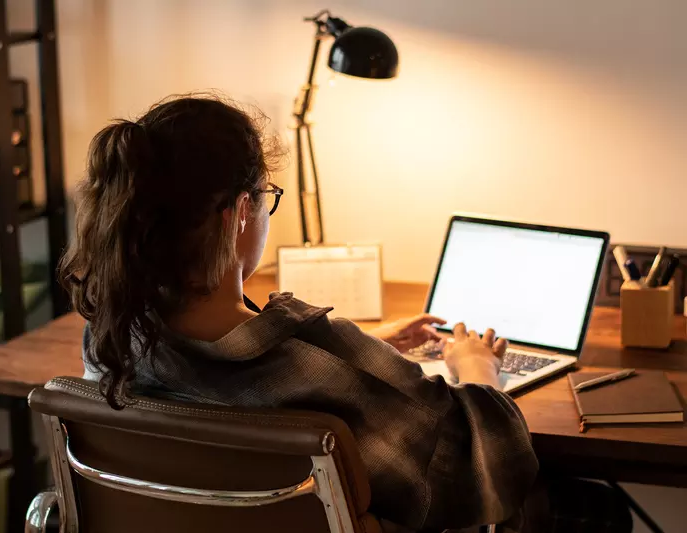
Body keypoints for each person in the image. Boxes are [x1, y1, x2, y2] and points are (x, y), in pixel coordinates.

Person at [60, 94, 539, 532]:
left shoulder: (111, 342)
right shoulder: (317, 368)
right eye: (267, 197)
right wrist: (477, 365)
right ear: (239, 212)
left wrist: (365, 352)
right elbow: (488, 470)